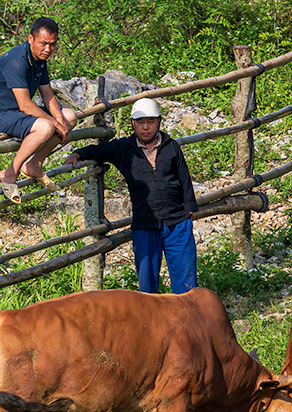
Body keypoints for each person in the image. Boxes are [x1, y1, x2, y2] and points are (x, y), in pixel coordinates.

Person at [63, 98, 198, 294]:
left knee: (186, 282)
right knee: (147, 285)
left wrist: (190, 208)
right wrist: (78, 154)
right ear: (133, 123)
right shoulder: (124, 148)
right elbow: (98, 151)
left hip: (177, 222)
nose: (146, 128)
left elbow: (184, 177)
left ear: (159, 122)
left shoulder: (171, 146)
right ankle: (150, 323)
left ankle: (188, 322)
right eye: (140, 122)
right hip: (145, 225)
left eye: (150, 122)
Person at [0, 17, 77, 192]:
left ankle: (34, 165)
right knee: (46, 127)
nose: (48, 49)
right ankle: (10, 173)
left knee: (70, 116)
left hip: (16, 113)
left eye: (52, 44)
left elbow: (47, 95)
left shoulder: (39, 59)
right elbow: (25, 105)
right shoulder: (17, 61)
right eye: (43, 43)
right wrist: (55, 124)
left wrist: (60, 120)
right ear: (31, 39)